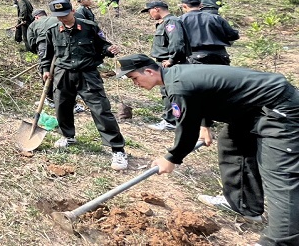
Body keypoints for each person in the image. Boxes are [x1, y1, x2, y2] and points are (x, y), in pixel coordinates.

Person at [116, 55, 299, 243]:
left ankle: (281, 240)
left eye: (134, 78)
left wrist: (172, 157)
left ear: (148, 71)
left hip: (280, 108)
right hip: (253, 107)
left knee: (280, 176)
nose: (135, 84)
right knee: (232, 142)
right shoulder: (176, 74)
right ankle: (245, 206)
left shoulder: (178, 86)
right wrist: (205, 124)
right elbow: (204, 94)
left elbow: (186, 130)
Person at [40, 0, 127, 170]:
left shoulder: (89, 27)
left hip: (87, 73)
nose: (63, 18)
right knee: (62, 106)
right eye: (59, 15)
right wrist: (45, 69)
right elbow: (47, 53)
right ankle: (68, 136)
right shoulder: (52, 29)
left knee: (101, 109)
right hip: (63, 73)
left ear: (73, 10)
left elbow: (102, 46)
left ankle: (117, 149)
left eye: (65, 14)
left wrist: (109, 50)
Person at [140, 0, 191, 131]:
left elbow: (177, 43)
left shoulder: (171, 22)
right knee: (168, 92)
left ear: (156, 9)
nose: (149, 14)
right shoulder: (165, 22)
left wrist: (172, 60)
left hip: (169, 64)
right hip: (163, 62)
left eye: (149, 11)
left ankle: (171, 121)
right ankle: (173, 119)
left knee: (170, 93)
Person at [180, 0, 239, 65]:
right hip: (220, 56)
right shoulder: (216, 18)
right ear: (201, 5)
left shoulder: (180, 20)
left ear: (184, 6)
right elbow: (233, 35)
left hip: (195, 57)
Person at [27, 9, 59, 106]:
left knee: (45, 71)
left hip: (43, 45)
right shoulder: (56, 19)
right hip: (60, 44)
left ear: (36, 17)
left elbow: (31, 42)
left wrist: (39, 54)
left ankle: (50, 99)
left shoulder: (33, 24)